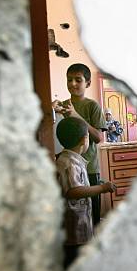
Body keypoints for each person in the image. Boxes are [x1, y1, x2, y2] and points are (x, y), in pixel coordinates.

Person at [55, 117, 116, 269]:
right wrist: (102, 189)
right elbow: (73, 191)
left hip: (78, 225)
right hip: (75, 229)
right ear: (84, 139)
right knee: (76, 262)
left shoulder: (69, 159)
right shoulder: (69, 163)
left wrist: (97, 185)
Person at [52, 63, 108, 226]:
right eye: (69, 80)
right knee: (73, 214)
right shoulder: (62, 105)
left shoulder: (93, 106)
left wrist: (76, 115)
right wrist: (51, 111)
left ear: (88, 83)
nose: (72, 84)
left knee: (92, 215)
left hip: (89, 168)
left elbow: (99, 138)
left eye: (78, 80)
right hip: (67, 166)